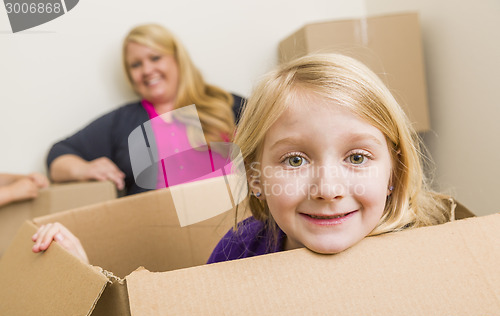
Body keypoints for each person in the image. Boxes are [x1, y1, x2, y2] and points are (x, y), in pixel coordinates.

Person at [32, 54, 461, 264]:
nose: (329, 189)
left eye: (357, 156)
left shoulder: (433, 250)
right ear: (255, 177)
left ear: (394, 172)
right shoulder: (241, 248)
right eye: (294, 161)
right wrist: (85, 274)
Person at [47, 23, 245, 195]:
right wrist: (83, 169)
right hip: (159, 232)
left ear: (177, 59)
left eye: (155, 58)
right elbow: (58, 156)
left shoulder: (225, 103)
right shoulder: (122, 122)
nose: (147, 70)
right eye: (136, 64)